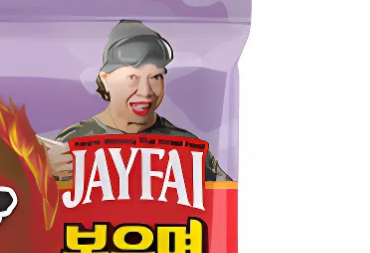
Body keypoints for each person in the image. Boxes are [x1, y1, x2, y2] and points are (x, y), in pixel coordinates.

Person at [42, 20, 232, 182]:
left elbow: (226, 197)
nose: (145, 91)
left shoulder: (188, 147)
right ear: (106, 80)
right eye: (132, 77)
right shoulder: (73, 143)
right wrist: (46, 173)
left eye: (155, 77)